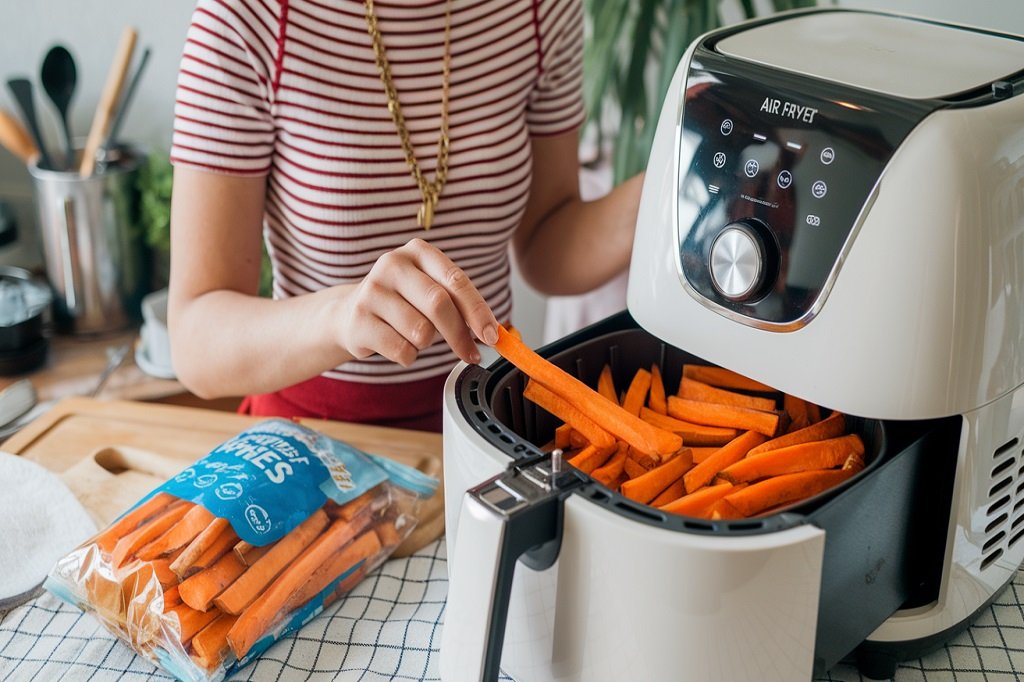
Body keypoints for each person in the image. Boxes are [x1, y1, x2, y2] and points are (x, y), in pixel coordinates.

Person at [168, 0, 643, 432]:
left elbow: (549, 244)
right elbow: (194, 341)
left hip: (493, 424)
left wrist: (669, 180)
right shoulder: (249, 17)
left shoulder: (539, 12)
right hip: (313, 442)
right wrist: (340, 317)